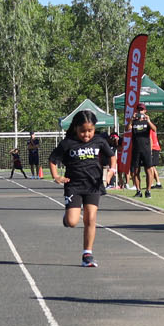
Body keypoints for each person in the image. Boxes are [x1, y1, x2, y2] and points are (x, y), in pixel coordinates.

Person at [47, 109, 116, 268]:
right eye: (83, 131)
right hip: (74, 186)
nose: (86, 134)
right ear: (76, 128)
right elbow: (52, 160)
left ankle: (87, 254)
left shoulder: (99, 141)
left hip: (93, 185)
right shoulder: (68, 143)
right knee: (72, 222)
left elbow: (112, 156)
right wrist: (56, 176)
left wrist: (112, 171)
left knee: (90, 218)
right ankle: (66, 218)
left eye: (90, 131)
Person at [128, 103, 157, 197]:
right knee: (135, 171)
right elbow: (127, 128)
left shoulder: (147, 121)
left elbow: (155, 129)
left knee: (148, 170)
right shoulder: (134, 121)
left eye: (142, 110)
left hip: (146, 150)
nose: (140, 111)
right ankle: (138, 190)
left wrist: (148, 121)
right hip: (136, 149)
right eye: (139, 110)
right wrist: (131, 120)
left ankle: (148, 191)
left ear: (145, 111)